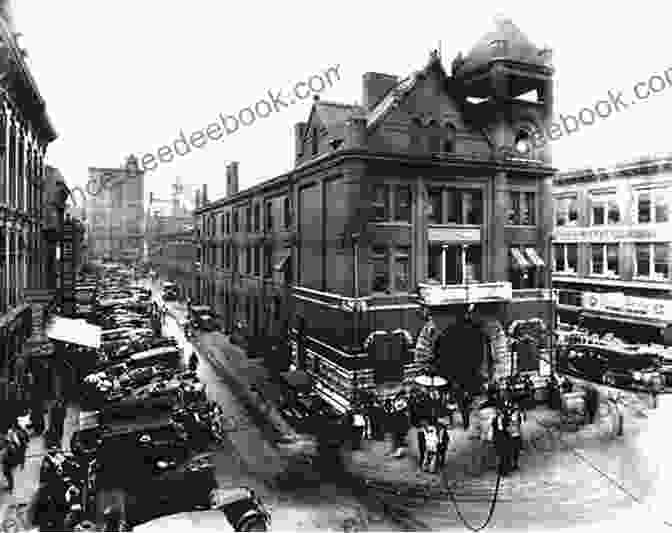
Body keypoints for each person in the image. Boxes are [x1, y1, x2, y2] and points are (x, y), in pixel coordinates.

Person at [508, 404, 523, 471]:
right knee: (512, 450)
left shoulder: (518, 415)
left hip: (516, 434)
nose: (517, 410)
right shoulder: (510, 415)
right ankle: (512, 464)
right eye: (515, 409)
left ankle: (515, 464)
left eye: (517, 409)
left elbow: (519, 424)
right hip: (512, 435)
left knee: (516, 451)